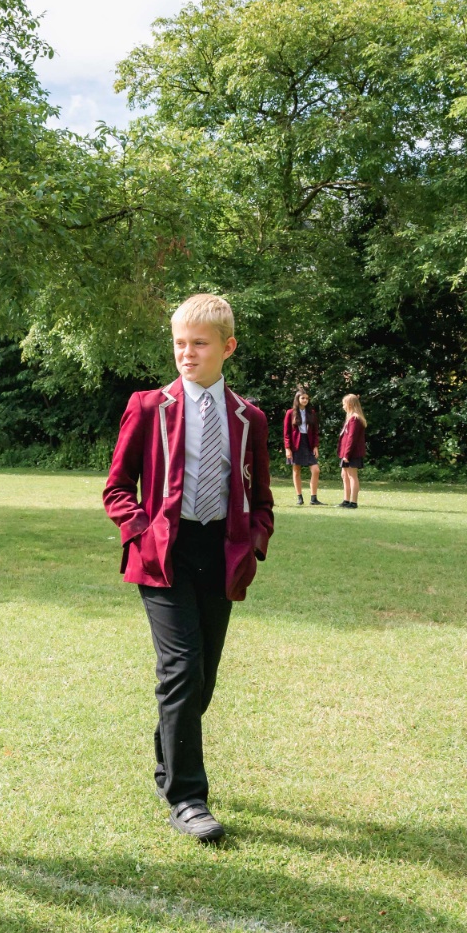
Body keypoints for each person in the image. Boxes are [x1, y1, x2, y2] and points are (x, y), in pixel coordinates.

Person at [102, 293, 274, 844]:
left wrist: (256, 542)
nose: (187, 353)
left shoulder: (251, 418)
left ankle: (166, 761)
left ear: (228, 347)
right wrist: (144, 532)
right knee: (180, 670)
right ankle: (187, 798)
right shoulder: (149, 407)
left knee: (202, 680)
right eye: (179, 343)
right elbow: (116, 489)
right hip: (163, 555)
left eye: (199, 344)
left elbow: (263, 496)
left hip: (220, 553)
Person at [281, 387, 323, 505]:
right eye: (303, 398)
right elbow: (286, 432)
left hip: (308, 443)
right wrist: (287, 448)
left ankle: (313, 498)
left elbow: (315, 431)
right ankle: (299, 497)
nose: (305, 400)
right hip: (295, 444)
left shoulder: (312, 413)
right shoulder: (290, 413)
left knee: (316, 470)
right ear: (297, 399)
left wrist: (315, 446)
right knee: (296, 470)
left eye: (307, 398)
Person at [337, 394, 369, 509]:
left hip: (352, 453)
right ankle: (346, 500)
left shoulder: (355, 418)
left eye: (344, 404)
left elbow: (352, 438)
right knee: (344, 475)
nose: (343, 406)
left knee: (352, 476)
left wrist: (347, 454)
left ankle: (353, 502)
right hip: (347, 452)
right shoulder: (350, 418)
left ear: (350, 404)